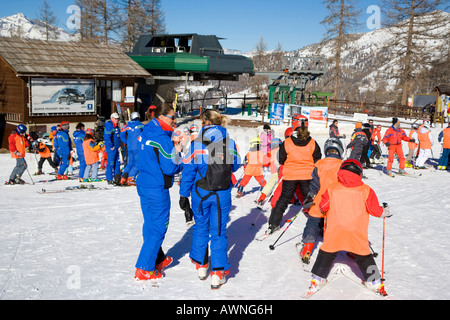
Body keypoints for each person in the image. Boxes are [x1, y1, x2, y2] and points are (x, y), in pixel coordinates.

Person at [306, 159, 392, 297]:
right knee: (364, 254)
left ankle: (317, 279)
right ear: (359, 173)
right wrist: (385, 211)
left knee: (327, 251)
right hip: (356, 231)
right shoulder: (366, 190)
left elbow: (323, 207)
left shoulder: (333, 188)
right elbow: (375, 211)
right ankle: (374, 282)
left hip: (335, 230)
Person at [179, 109, 240, 289]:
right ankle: (217, 273)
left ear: (204, 122)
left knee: (200, 228)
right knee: (219, 232)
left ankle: (202, 267)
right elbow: (235, 166)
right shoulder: (229, 142)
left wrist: (184, 194)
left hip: (200, 192)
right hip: (222, 193)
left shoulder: (196, 143)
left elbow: (188, 170)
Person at [135, 103, 183, 281]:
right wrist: (178, 151)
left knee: (149, 224)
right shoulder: (162, 138)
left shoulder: (146, 130)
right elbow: (171, 168)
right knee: (158, 227)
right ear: (162, 117)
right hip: (157, 187)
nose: (175, 120)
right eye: (172, 117)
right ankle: (144, 268)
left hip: (144, 183)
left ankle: (157, 258)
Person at [266, 121, 322, 234]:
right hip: (307, 175)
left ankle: (273, 224)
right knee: (311, 199)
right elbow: (318, 158)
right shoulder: (312, 142)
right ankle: (320, 225)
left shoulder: (287, 142)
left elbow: (281, 159)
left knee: (283, 199)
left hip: (290, 175)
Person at [299, 138, 344, 264]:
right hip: (335, 202)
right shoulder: (342, 165)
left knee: (313, 222)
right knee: (335, 223)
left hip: (319, 201)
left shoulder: (319, 164)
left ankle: (307, 247)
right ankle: (336, 246)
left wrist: (309, 198)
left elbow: (314, 185)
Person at [120, 112, 144, 185]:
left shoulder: (126, 126)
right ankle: (131, 178)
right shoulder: (140, 125)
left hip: (129, 147)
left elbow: (121, 135)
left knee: (130, 163)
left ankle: (123, 178)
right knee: (138, 163)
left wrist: (126, 142)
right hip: (137, 147)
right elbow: (146, 134)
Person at [104, 113, 122, 185]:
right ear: (111, 118)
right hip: (111, 148)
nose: (117, 120)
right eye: (115, 118)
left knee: (117, 163)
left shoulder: (117, 127)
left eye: (117, 119)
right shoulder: (109, 126)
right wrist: (111, 146)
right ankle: (109, 179)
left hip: (117, 147)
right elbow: (107, 137)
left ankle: (117, 177)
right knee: (110, 163)